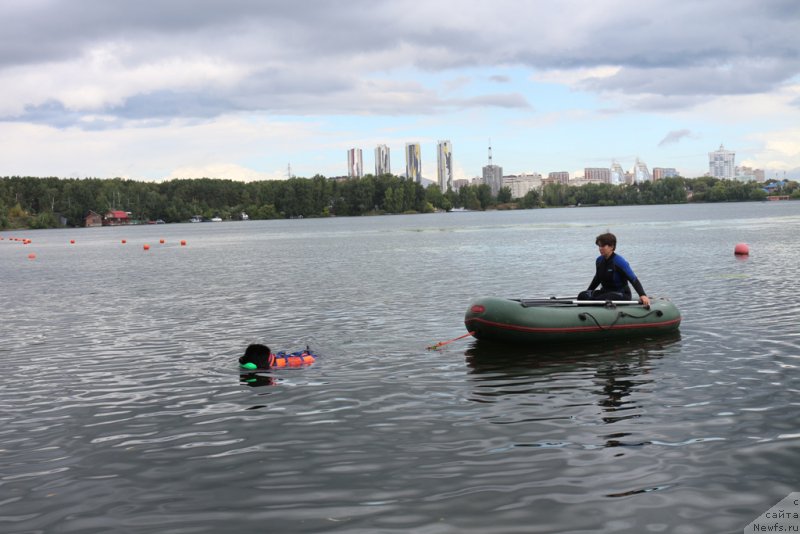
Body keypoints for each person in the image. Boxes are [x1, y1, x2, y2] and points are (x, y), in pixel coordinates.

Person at [578, 232, 651, 306]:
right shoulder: (599, 260)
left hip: (621, 294)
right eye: (599, 246)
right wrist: (588, 291)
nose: (600, 248)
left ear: (612, 246)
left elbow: (633, 279)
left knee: (600, 299)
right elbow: (597, 279)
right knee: (582, 295)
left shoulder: (619, 262)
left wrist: (642, 295)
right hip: (605, 292)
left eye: (603, 246)